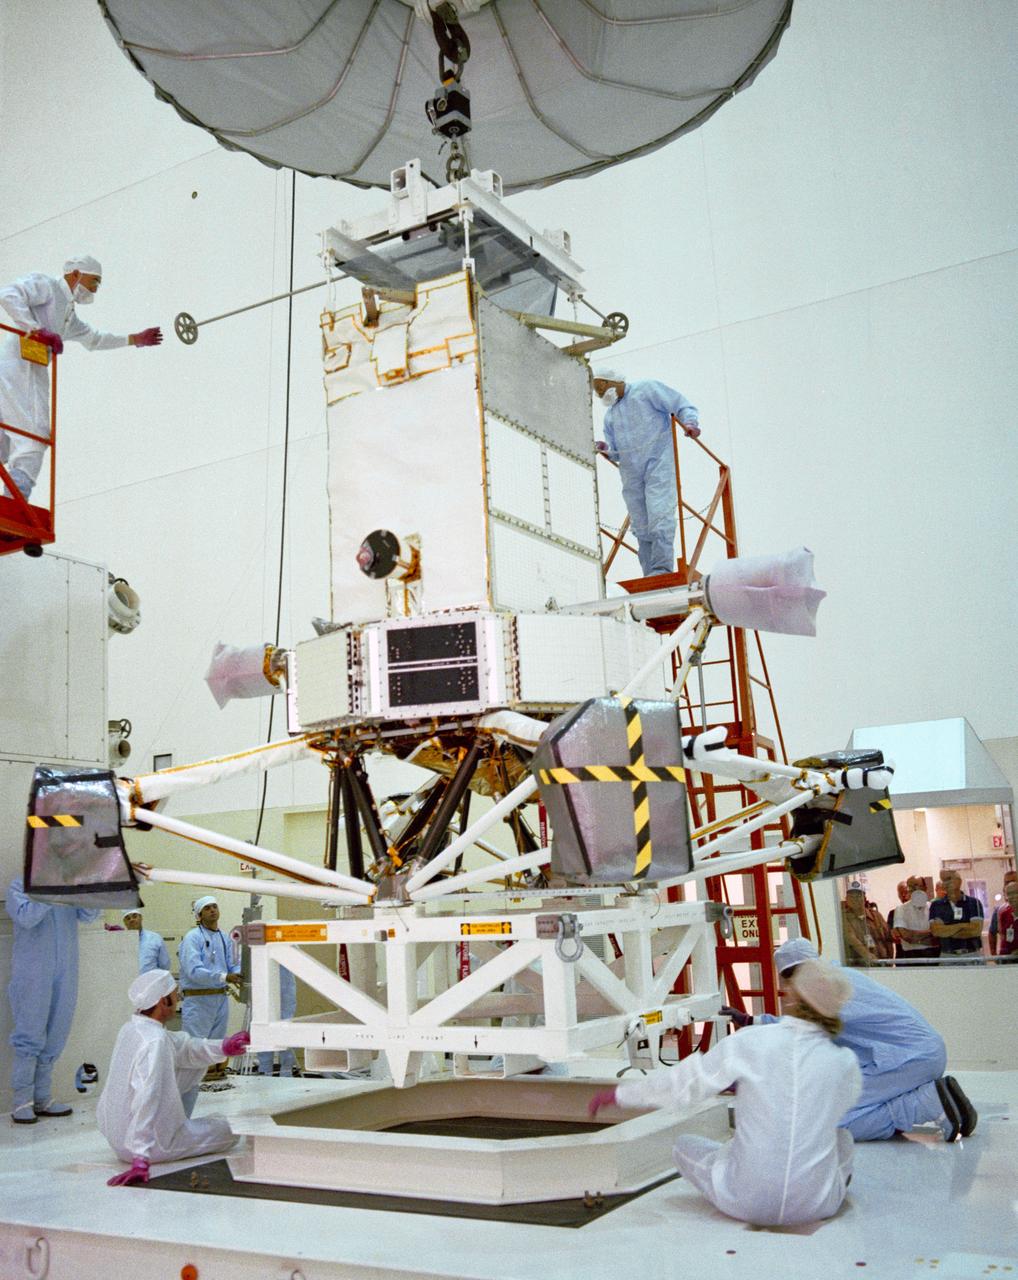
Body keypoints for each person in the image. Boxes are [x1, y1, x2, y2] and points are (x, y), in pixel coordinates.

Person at [589, 959, 861, 1227]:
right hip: (817, 1205)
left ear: (793, 999)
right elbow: (833, 1109)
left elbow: (686, 1083)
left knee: (683, 1146)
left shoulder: (751, 1041)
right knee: (842, 1138)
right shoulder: (845, 1062)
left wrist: (622, 1096)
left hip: (746, 1200)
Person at [747, 937, 977, 1143]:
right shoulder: (841, 976)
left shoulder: (825, 988)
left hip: (910, 1060)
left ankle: (925, 1103)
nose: (789, 989)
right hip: (917, 1054)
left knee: (834, 1122)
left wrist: (752, 1022)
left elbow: (804, 1031)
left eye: (789, 979)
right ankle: (928, 1099)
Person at [0, 255, 162, 500]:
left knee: (7, 434)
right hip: (18, 367)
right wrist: (34, 329)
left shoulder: (67, 315)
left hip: (31, 370)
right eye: (94, 281)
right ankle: (15, 502)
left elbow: (94, 339)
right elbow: (9, 294)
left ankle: (12, 497)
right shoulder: (47, 286)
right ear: (75, 273)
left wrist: (133, 339)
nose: (95, 288)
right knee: (34, 435)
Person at [98, 969, 249, 1186]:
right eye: (176, 995)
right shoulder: (155, 1042)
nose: (179, 999)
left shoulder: (132, 1029)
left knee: (189, 1064)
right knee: (230, 1130)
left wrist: (224, 1046)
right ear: (164, 1001)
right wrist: (141, 1157)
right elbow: (146, 1096)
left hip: (118, 1140)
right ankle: (159, 1143)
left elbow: (184, 1048)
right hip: (152, 1146)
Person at [5, 876, 100, 1125]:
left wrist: (88, 890)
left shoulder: (69, 885)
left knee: (58, 1029)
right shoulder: (20, 885)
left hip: (66, 969)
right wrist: (49, 892)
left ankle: (42, 1098)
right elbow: (26, 917)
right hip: (33, 970)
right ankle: (21, 1101)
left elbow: (90, 915)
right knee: (30, 1032)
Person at [592, 370, 699, 577]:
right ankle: (649, 572)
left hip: (657, 462)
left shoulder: (647, 390)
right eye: (596, 390)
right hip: (631, 474)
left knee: (659, 512)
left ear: (612, 380)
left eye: (600, 386)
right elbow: (616, 452)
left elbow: (680, 404)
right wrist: (606, 448)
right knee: (640, 523)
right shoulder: (611, 416)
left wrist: (690, 422)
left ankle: (662, 568)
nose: (599, 393)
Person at [177, 896, 242, 1112]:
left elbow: (232, 965)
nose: (213, 910)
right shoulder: (192, 938)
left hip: (220, 998)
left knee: (214, 1045)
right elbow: (193, 971)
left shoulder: (224, 937)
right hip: (198, 999)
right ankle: (185, 1092)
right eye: (207, 908)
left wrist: (242, 974)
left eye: (215, 906)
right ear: (199, 914)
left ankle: (209, 1081)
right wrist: (224, 977)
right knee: (194, 1048)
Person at [254, 965, 298, 1077]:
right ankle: (265, 1069)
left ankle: (286, 1069)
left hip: (285, 986)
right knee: (263, 1022)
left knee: (286, 1023)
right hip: (262, 982)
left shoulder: (289, 948)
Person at [929, 871, 984, 959]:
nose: (945, 883)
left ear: (959, 881)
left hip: (971, 954)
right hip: (947, 955)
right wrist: (964, 926)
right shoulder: (936, 905)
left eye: (949, 879)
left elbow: (975, 930)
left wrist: (947, 930)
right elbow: (936, 931)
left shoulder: (973, 903)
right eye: (943, 880)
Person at [841, 881, 892, 966]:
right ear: (846, 899)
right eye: (851, 896)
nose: (855, 899)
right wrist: (867, 955)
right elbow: (851, 939)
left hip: (882, 964)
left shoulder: (876, 916)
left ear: (865, 899)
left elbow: (888, 939)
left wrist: (890, 961)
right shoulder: (844, 917)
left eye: (858, 896)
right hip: (860, 966)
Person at [891, 875, 940, 961]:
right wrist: (929, 937)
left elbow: (938, 934)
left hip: (933, 955)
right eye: (911, 887)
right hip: (911, 956)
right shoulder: (900, 909)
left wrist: (916, 937)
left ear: (925, 888)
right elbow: (907, 936)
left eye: (917, 885)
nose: (914, 889)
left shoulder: (934, 907)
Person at [122, 907, 171, 973]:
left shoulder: (155, 939)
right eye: (128, 918)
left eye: (134, 916)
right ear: (125, 922)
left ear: (141, 918)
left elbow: (165, 966)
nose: (132, 920)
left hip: (151, 982)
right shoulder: (120, 942)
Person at [988, 870, 1017, 956]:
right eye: (1006, 883)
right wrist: (994, 955)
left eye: (1013, 882)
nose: (1009, 885)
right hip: (1006, 960)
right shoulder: (1000, 911)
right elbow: (992, 933)